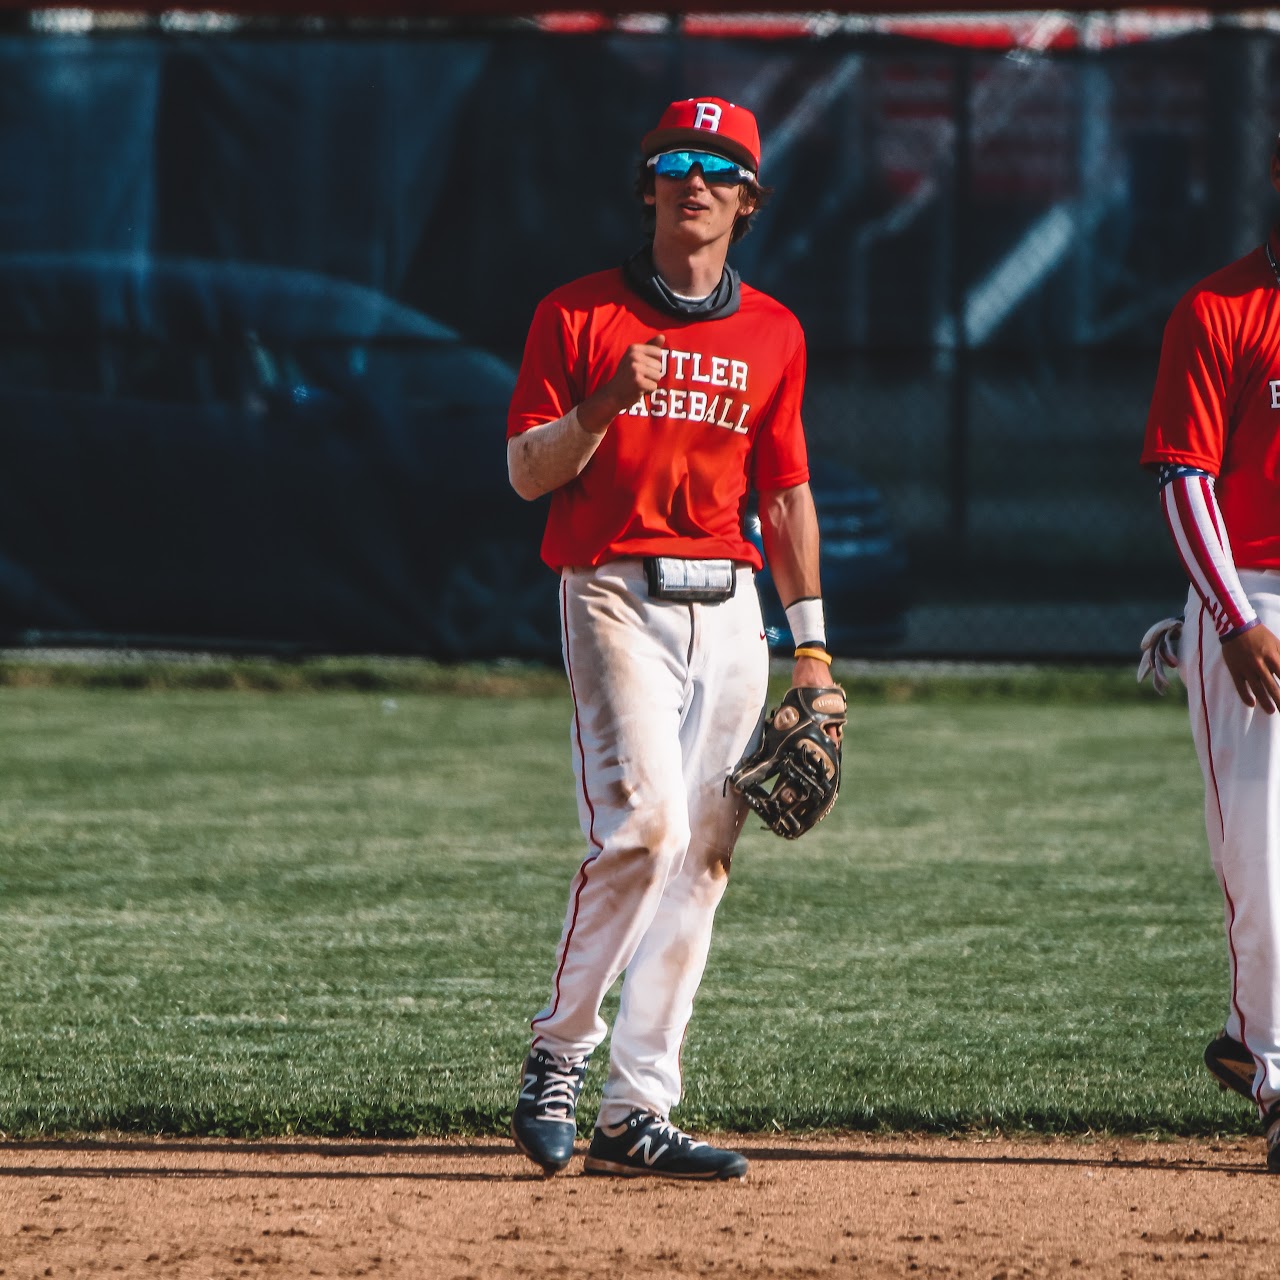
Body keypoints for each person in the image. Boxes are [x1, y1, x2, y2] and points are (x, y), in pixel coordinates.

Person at [504, 97, 840, 1181]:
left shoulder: (773, 332)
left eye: (719, 167)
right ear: (646, 186)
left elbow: (784, 495)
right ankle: (557, 1053)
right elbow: (525, 473)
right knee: (642, 829)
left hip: (731, 610)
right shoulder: (576, 315)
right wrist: (602, 401)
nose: (694, 180)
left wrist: (815, 653)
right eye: (673, 162)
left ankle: (635, 1107)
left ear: (747, 202)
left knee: (701, 856)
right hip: (611, 589)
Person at [1139, 131, 1280, 1174]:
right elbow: (1183, 477)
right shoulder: (1219, 307)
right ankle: (1271, 1064)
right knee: (1261, 860)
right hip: (1253, 603)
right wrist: (1230, 620)